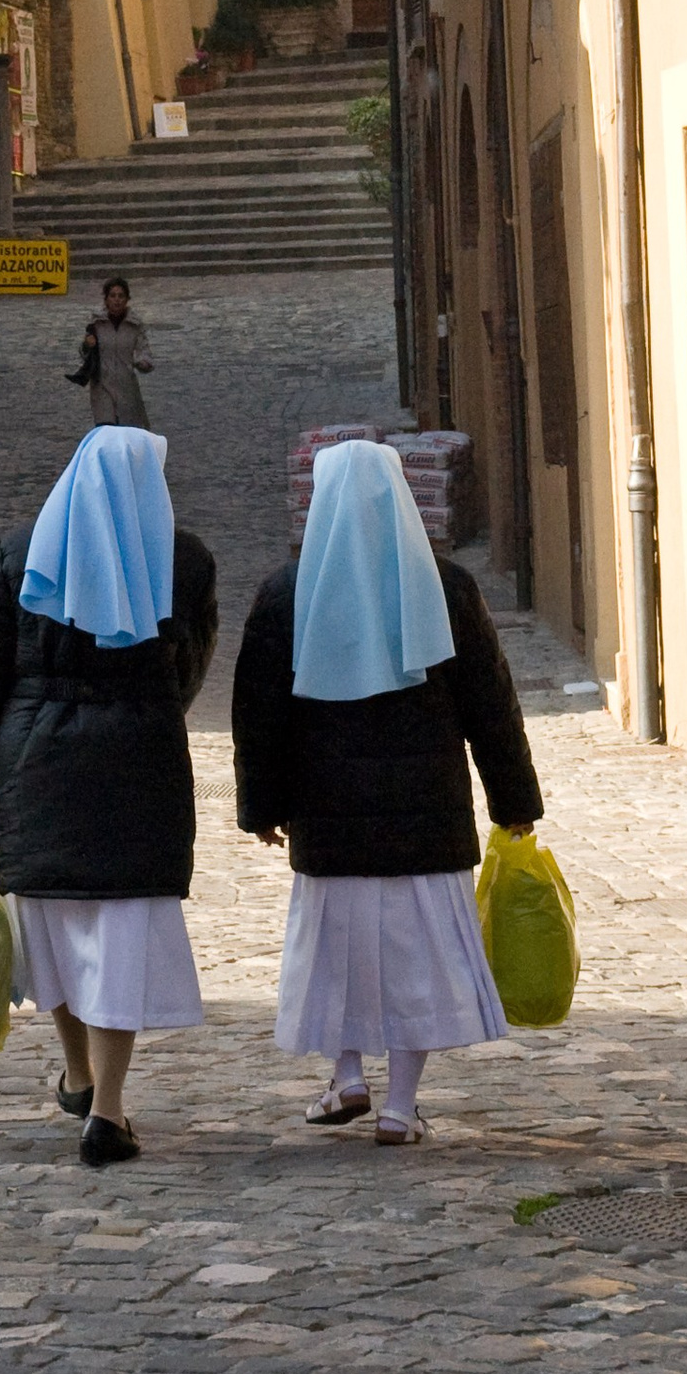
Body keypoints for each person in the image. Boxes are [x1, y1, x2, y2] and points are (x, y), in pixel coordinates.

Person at [232, 439, 544, 1145]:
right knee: (417, 966)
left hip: (328, 821)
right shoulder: (447, 587)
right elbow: (491, 704)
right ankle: (400, 1106)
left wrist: (262, 805)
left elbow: (258, 712)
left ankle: (346, 1074)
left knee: (335, 958)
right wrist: (514, 801)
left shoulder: (288, 594)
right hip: (425, 822)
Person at [0, 425, 215, 1169]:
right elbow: (189, 668)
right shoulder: (182, 560)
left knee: (52, 926)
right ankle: (109, 1110)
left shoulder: (19, 552)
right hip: (139, 764)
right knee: (118, 938)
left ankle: (79, 1072)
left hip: (36, 764)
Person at [69, 278, 152, 428]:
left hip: (126, 388)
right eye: (113, 296)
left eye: (121, 296)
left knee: (126, 434)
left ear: (127, 299)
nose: (117, 300)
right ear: (106, 299)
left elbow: (143, 349)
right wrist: (87, 345)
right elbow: (84, 353)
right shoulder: (96, 323)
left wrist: (143, 362)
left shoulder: (135, 326)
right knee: (107, 430)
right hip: (102, 387)